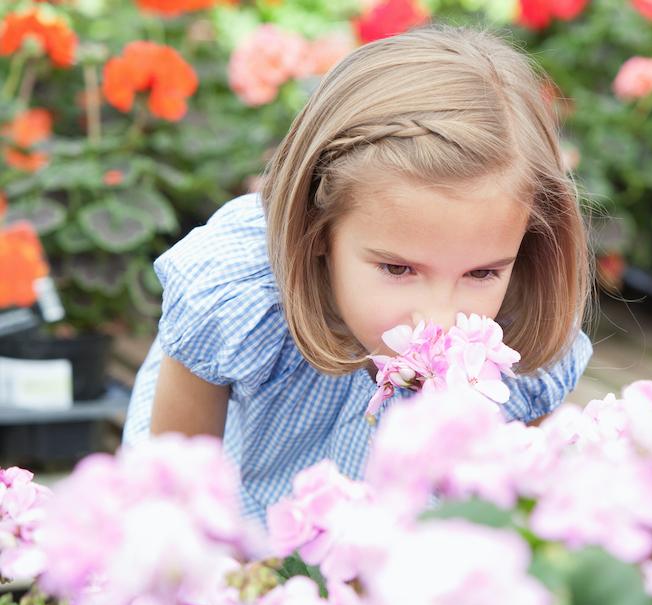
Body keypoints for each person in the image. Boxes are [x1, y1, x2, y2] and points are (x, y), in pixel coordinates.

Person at [123, 24, 594, 522]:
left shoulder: (519, 340)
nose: (437, 319)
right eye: (397, 268)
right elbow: (177, 496)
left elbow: (523, 521)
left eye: (481, 274)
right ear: (318, 228)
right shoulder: (240, 299)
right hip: (239, 513)